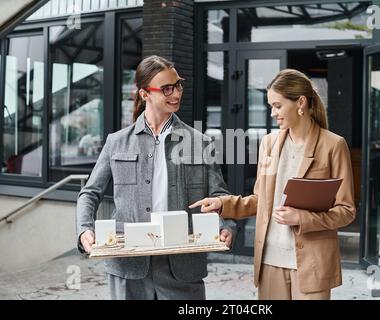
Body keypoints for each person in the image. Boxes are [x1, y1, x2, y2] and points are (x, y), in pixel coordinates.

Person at [76, 55, 235, 300]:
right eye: (166, 89)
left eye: (178, 85)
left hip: (183, 267)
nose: (176, 93)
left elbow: (219, 196)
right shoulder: (116, 142)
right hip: (129, 268)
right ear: (144, 94)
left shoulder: (200, 143)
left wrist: (226, 225)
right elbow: (90, 193)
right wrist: (84, 229)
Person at [190, 69, 356, 300]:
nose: (272, 113)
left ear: (300, 103)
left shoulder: (333, 145)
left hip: (312, 264)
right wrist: (222, 204)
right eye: (271, 106)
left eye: (277, 106)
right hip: (270, 261)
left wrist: (302, 218)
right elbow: (261, 200)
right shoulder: (269, 143)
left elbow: (346, 211)